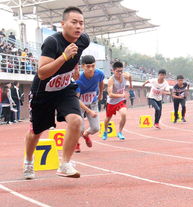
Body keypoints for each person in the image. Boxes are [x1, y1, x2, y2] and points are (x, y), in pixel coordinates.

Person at [23, 6, 90, 180]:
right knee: (36, 131)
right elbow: (42, 72)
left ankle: (65, 164)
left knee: (76, 120)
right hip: (44, 91)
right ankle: (29, 162)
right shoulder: (53, 42)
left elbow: (76, 54)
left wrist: (73, 66)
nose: (78, 27)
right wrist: (64, 57)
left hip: (65, 88)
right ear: (62, 24)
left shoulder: (83, 40)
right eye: (74, 22)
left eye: (81, 23)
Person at [74, 55, 104, 153]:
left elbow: (101, 82)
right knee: (80, 128)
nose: (91, 69)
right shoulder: (78, 79)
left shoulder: (99, 73)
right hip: (81, 104)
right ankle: (76, 143)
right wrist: (89, 111)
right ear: (83, 66)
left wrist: (101, 93)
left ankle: (86, 135)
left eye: (93, 66)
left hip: (93, 102)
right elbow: (76, 99)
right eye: (88, 66)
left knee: (96, 128)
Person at [102, 61, 132, 140]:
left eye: (121, 71)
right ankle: (105, 131)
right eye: (118, 71)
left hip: (121, 101)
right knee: (108, 118)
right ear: (113, 71)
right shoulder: (111, 80)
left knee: (124, 114)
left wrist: (131, 85)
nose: (120, 73)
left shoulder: (125, 76)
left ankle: (120, 132)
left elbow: (130, 76)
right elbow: (110, 94)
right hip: (111, 102)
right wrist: (122, 95)